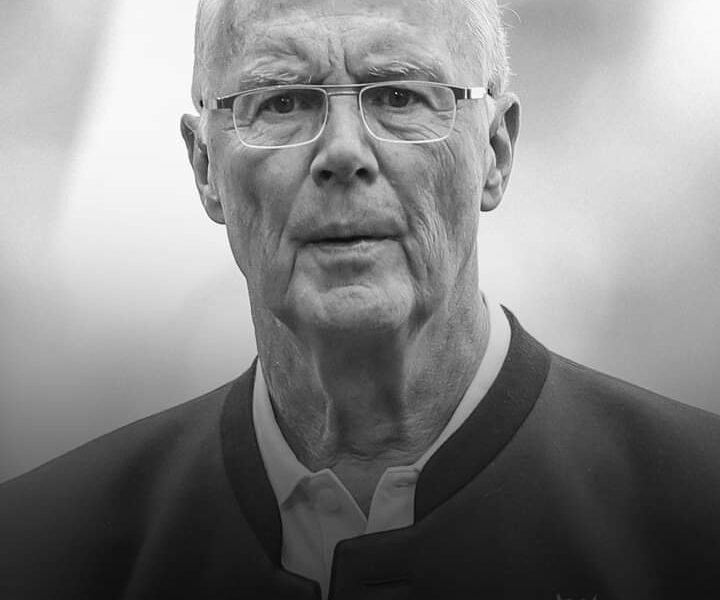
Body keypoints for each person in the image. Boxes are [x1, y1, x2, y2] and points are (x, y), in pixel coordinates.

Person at [2, 0, 720, 598]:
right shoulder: (39, 553)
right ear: (205, 167)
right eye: (282, 101)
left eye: (399, 96)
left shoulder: (696, 516)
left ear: (495, 151)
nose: (343, 152)